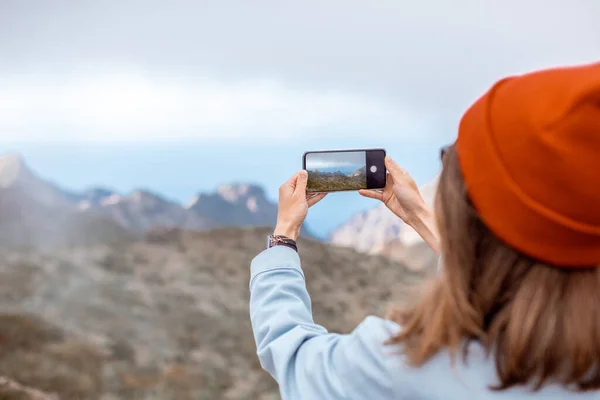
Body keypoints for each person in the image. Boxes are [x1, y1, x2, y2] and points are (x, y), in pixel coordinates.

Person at [249, 62, 600, 399]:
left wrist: (284, 234)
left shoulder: (410, 367)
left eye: (452, 158)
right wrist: (418, 214)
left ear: (475, 216)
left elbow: (294, 358)